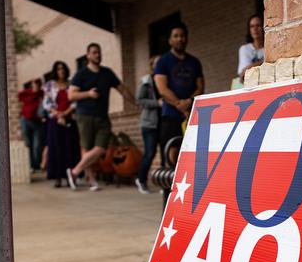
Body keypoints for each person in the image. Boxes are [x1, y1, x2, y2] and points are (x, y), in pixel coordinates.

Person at [67, 42, 136, 191]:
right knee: (86, 148)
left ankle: (74, 171)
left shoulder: (107, 73)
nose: (97, 55)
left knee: (101, 148)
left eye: (99, 52)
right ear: (88, 55)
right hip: (84, 115)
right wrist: (88, 94)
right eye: (94, 52)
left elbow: (122, 89)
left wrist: (135, 103)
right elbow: (71, 95)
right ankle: (91, 180)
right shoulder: (81, 74)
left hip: (102, 116)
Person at [154, 22, 204, 167]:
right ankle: (169, 188)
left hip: (193, 114)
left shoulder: (194, 62)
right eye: (175, 36)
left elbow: (200, 87)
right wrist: (180, 105)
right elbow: (162, 89)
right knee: (172, 152)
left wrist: (189, 102)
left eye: (182, 36)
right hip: (171, 115)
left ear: (186, 38)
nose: (179, 39)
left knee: (191, 152)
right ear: (170, 40)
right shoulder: (163, 62)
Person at [43, 61, 80, 188]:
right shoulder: (49, 85)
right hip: (55, 121)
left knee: (70, 148)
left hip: (69, 119)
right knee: (56, 148)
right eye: (58, 69)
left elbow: (75, 102)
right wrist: (58, 115)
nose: (61, 71)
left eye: (63, 68)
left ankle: (71, 177)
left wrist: (65, 114)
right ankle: (57, 177)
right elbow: (47, 104)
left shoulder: (71, 84)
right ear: (55, 71)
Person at [135, 55, 162, 194]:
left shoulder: (165, 79)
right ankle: (141, 180)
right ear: (152, 65)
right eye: (157, 63)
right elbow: (139, 100)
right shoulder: (146, 80)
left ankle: (164, 184)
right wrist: (156, 103)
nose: (159, 65)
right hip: (149, 123)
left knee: (165, 153)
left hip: (163, 122)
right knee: (150, 153)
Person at [18, 77, 44, 172]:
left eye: (38, 83)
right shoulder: (26, 92)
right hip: (25, 120)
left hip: (37, 122)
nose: (36, 85)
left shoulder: (42, 93)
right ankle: (31, 166)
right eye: (34, 83)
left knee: (37, 145)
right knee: (28, 144)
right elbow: (16, 99)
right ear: (31, 84)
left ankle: (37, 164)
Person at [238, 14, 265, 83]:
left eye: (258, 25)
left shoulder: (269, 48)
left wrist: (251, 66)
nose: (255, 29)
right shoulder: (244, 49)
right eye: (252, 26)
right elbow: (244, 74)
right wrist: (263, 62)